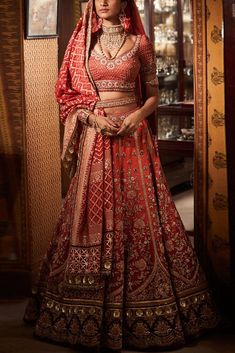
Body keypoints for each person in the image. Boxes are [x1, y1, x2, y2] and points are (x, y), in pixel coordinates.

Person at [24, 0, 219, 351]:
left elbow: (155, 95)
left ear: (123, 2)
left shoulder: (140, 44)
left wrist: (137, 117)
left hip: (132, 139)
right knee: (86, 215)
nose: (102, 1)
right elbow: (66, 93)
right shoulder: (83, 44)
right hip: (96, 138)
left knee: (139, 215)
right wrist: (92, 118)